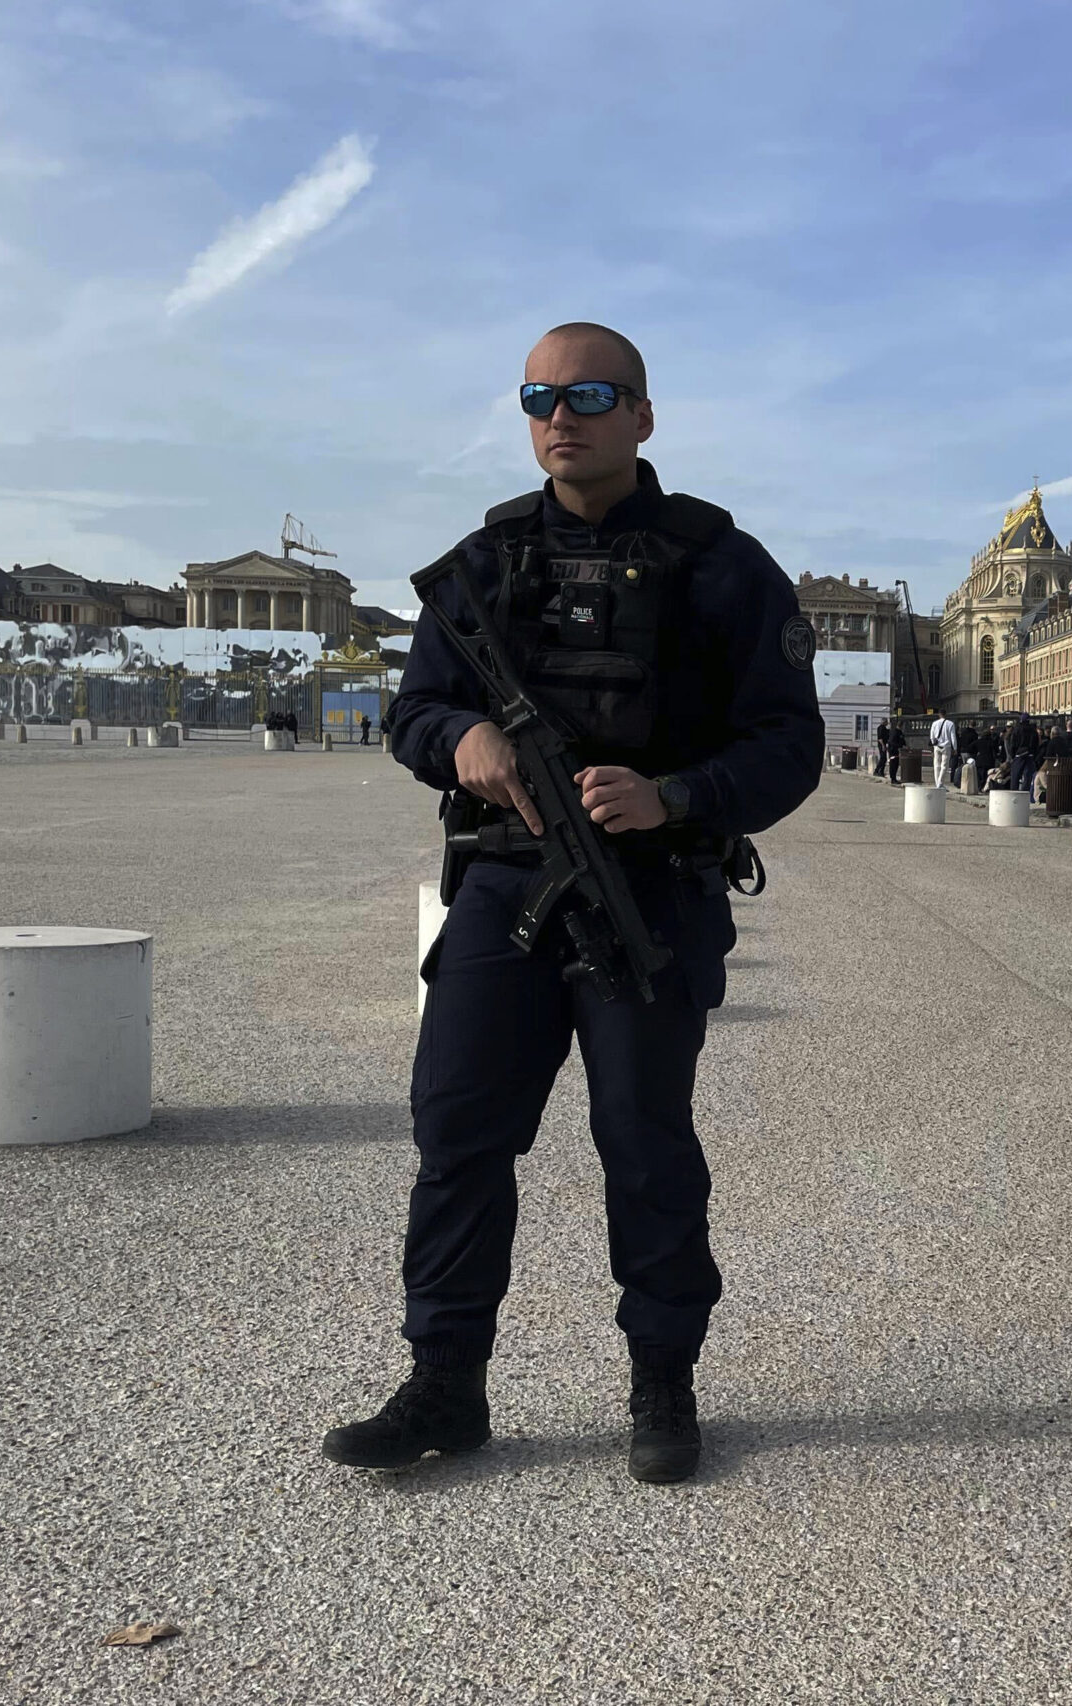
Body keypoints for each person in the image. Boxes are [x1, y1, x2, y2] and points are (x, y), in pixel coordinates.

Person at [324, 322, 822, 1486]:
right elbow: (412, 718)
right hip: (505, 884)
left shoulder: (719, 563)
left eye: (591, 394)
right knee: (457, 1136)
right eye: (539, 396)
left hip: (651, 889)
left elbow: (789, 744)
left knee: (644, 1142)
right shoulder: (484, 563)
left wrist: (677, 794)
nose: (562, 416)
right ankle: (444, 1381)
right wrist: (467, 739)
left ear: (642, 416)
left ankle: (663, 1381)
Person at [927, 709, 957, 790]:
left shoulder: (934, 723)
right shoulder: (950, 724)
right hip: (946, 746)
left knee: (936, 765)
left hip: (937, 746)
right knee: (944, 766)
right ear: (945, 714)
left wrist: (934, 743)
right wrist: (955, 748)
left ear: (939, 714)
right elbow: (953, 737)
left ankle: (938, 783)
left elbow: (931, 736)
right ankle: (940, 783)